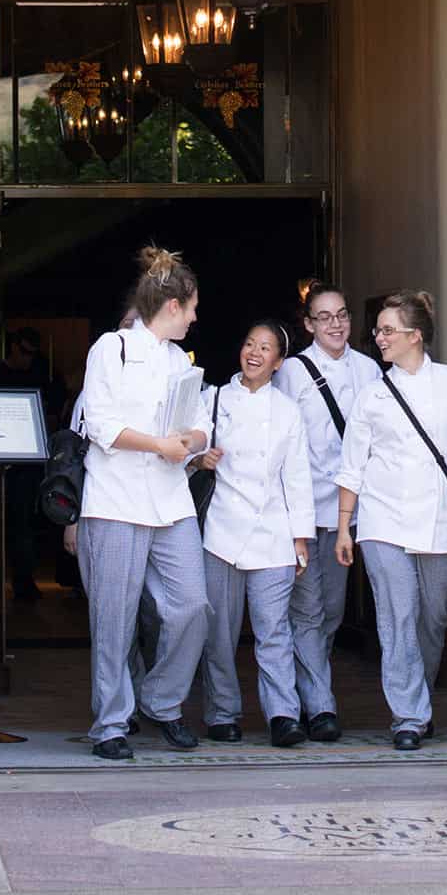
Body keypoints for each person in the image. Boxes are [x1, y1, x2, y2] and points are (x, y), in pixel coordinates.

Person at [334, 291, 447, 751]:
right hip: (383, 520)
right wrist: (345, 526)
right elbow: (352, 465)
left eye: (387, 330)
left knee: (433, 618)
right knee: (397, 617)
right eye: (378, 330)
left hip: (442, 520)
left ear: (414, 336)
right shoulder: (373, 394)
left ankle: (416, 699)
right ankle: (408, 714)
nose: (378, 338)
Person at [77, 246, 211, 761]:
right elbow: (103, 425)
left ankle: (161, 699)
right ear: (172, 306)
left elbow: (203, 421)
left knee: (192, 606)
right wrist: (160, 445)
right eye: (193, 306)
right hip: (115, 500)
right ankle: (110, 722)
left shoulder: (181, 360)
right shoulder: (110, 349)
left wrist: (194, 440)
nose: (196, 317)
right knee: (114, 617)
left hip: (171, 501)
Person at [192, 320, 316, 747]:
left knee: (274, 630)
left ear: (279, 362)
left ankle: (284, 714)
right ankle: (222, 712)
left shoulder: (286, 411)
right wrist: (199, 458)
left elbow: (296, 476)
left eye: (266, 348)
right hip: (221, 531)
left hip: (273, 532)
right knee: (219, 632)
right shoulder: (213, 399)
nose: (255, 352)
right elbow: (188, 450)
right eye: (249, 343)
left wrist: (301, 537)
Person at [273, 280, 382, 742]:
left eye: (341, 315)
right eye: (324, 317)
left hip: (348, 512)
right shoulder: (293, 373)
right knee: (307, 609)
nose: (335, 324)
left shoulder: (371, 370)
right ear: (308, 325)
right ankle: (319, 707)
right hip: (301, 509)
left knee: (331, 609)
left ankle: (308, 693)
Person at [64, 300, 159, 731]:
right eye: (127, 325)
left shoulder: (164, 378)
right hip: (101, 509)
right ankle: (119, 710)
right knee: (112, 617)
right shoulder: (91, 395)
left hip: (154, 511)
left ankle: (140, 699)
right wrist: (72, 521)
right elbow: (75, 460)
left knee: (149, 617)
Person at [0, 327, 66, 601]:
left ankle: (27, 581)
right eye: (24, 351)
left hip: (35, 458)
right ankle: (17, 582)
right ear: (12, 346)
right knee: (15, 522)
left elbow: (53, 407)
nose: (28, 358)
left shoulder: (40, 374)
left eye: (32, 353)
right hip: (7, 457)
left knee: (31, 522)